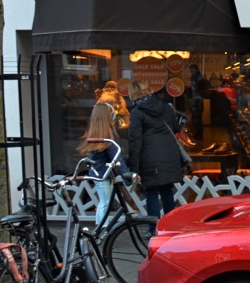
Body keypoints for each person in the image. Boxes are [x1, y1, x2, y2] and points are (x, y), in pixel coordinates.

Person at [127, 78, 186, 222]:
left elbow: (135, 141)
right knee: (167, 191)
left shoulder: (137, 112)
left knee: (151, 193)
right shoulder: (165, 107)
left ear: (133, 93)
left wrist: (134, 167)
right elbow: (175, 128)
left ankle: (153, 228)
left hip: (150, 158)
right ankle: (170, 225)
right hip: (169, 155)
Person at [76, 102, 135, 232]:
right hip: (103, 174)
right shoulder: (108, 135)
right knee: (105, 203)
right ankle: (102, 231)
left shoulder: (96, 132)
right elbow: (116, 158)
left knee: (103, 202)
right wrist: (126, 176)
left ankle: (99, 229)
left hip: (99, 173)